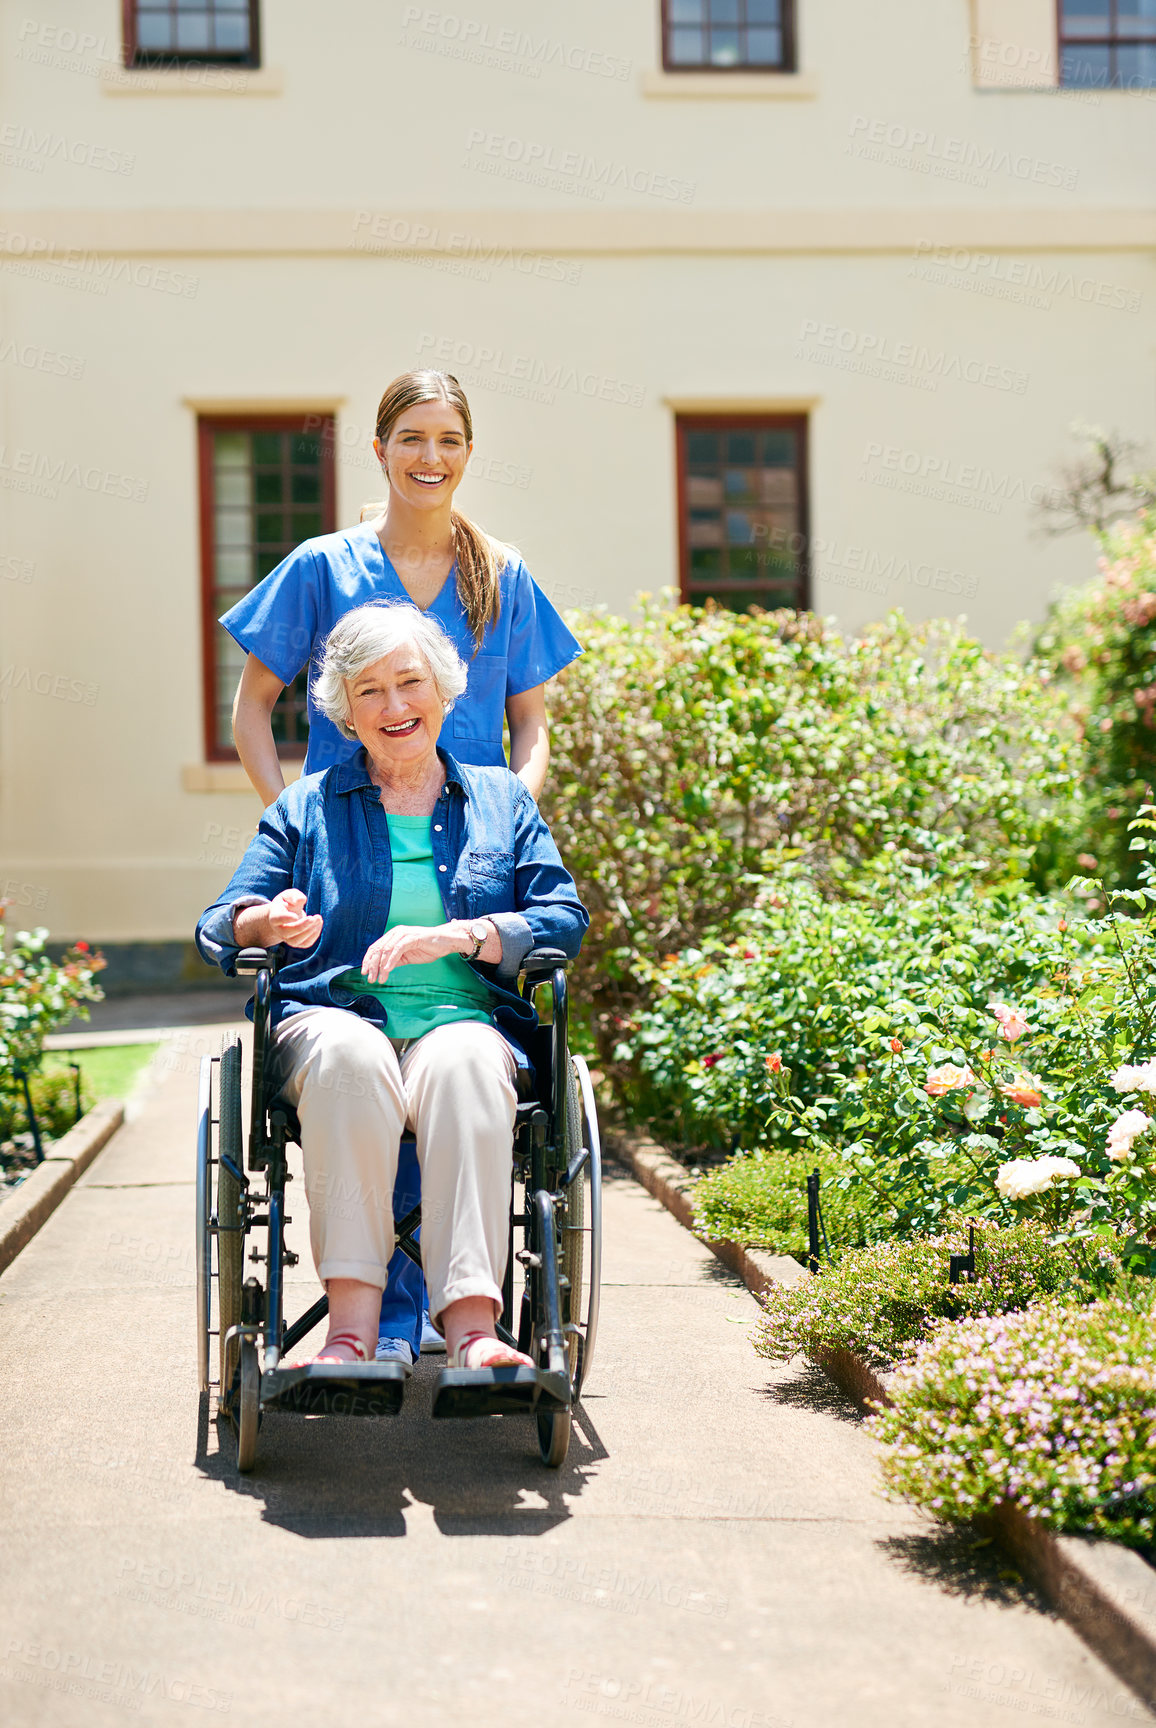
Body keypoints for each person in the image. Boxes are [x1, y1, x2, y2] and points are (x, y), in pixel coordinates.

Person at [218, 368, 582, 1368]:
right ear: (378, 450)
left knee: (457, 1047)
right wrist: (291, 829)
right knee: (355, 1051)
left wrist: (501, 830)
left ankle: (446, 1321)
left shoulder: (498, 574)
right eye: (410, 438)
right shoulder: (323, 567)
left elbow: (530, 724)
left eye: (449, 440)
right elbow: (252, 706)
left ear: (468, 453)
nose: (430, 457)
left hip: (464, 847)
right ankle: (371, 1322)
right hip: (346, 854)